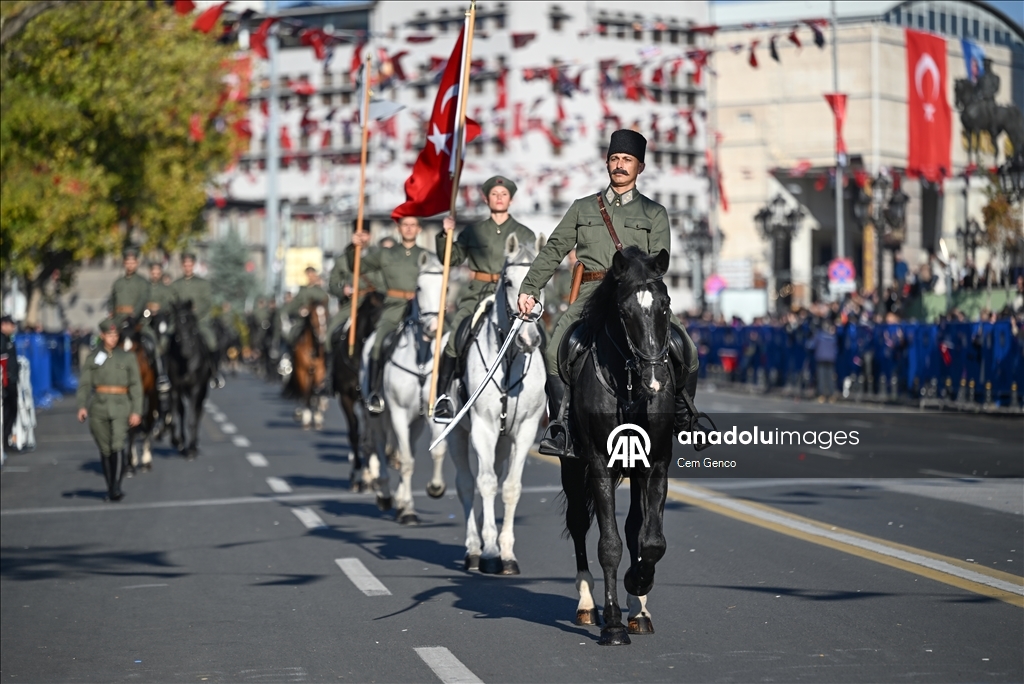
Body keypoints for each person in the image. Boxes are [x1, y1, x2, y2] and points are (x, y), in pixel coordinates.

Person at [516, 129, 700, 457]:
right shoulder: (583, 208)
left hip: (639, 295)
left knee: (685, 348)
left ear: (639, 167)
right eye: (614, 159)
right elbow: (555, 249)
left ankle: (684, 416)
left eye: (627, 160)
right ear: (607, 163)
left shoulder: (654, 213)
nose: (619, 165)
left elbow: (659, 262)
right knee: (556, 348)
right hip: (590, 293)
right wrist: (530, 287)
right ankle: (562, 426)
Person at [432, 176, 536, 421]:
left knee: (542, 337)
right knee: (456, 335)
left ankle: (554, 405)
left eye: (503, 194)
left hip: (514, 295)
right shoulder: (473, 231)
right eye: (494, 194)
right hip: (479, 291)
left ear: (511, 199)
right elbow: (452, 259)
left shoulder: (525, 233)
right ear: (486, 198)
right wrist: (445, 235)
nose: (499, 198)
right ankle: (443, 397)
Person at [350, 216, 429, 413]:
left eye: (413, 225)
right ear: (398, 228)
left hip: (421, 308)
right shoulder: (385, 254)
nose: (409, 229)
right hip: (394, 307)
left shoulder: (427, 255)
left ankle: (444, 394)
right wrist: (355, 248)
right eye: (405, 225)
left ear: (419, 229)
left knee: (445, 341)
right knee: (377, 343)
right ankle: (375, 393)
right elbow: (358, 266)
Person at [76, 319, 142, 502]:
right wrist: (81, 406)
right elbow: (84, 384)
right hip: (99, 406)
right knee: (105, 449)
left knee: (118, 444)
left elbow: (136, 385)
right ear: (102, 336)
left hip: (121, 405)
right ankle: (109, 485)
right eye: (110, 335)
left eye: (115, 335)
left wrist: (137, 410)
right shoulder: (93, 358)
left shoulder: (127, 357)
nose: (113, 338)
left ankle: (116, 488)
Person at [171, 251, 222, 386]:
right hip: (181, 324)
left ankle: (215, 372)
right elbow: (173, 303)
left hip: (200, 322)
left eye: (190, 264)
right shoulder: (176, 285)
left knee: (212, 342)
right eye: (185, 264)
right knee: (168, 342)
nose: (187, 267)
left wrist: (194, 315)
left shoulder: (203, 284)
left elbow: (207, 303)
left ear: (193, 265)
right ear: (182, 266)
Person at [144, 260, 174, 393]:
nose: (155, 274)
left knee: (162, 341)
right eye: (153, 271)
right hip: (146, 321)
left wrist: (159, 308)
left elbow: (170, 305)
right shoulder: (145, 287)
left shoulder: (166, 289)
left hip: (161, 320)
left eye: (158, 271)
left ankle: (162, 374)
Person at [109, 246, 149, 330]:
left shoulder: (142, 282)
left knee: (149, 337)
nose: (130, 265)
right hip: (118, 320)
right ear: (124, 263)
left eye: (133, 262)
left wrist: (133, 315)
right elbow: (112, 299)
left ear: (137, 263)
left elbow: (142, 300)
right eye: (128, 262)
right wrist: (111, 312)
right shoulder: (118, 282)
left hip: (136, 321)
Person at [1, 315, 18, 451]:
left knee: (12, 410)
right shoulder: (2, 339)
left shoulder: (8, 339)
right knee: (8, 410)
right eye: (11, 325)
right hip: (6, 380)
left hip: (11, 379)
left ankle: (6, 439)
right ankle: (4, 440)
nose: (13, 328)